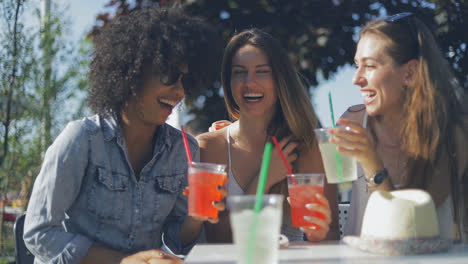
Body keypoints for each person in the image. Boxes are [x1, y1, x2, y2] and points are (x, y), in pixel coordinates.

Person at [23, 7, 223, 264]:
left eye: (185, 79)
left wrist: (195, 217)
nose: (180, 91)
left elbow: (178, 241)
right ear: (133, 73)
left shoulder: (183, 150)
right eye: (170, 75)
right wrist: (124, 261)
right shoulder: (82, 140)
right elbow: (39, 234)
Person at [328, 12, 468, 242]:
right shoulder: (353, 122)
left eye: (370, 66)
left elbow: (408, 231)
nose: (356, 79)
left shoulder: (454, 132)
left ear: (409, 73)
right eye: (356, 65)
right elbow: (329, 217)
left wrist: (371, 163)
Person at [197, 28, 339, 243]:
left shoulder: (308, 147)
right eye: (239, 72)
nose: (249, 83)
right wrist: (265, 178)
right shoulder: (208, 147)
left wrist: (318, 234)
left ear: (280, 79)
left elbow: (331, 238)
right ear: (228, 81)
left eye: (262, 71)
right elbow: (218, 239)